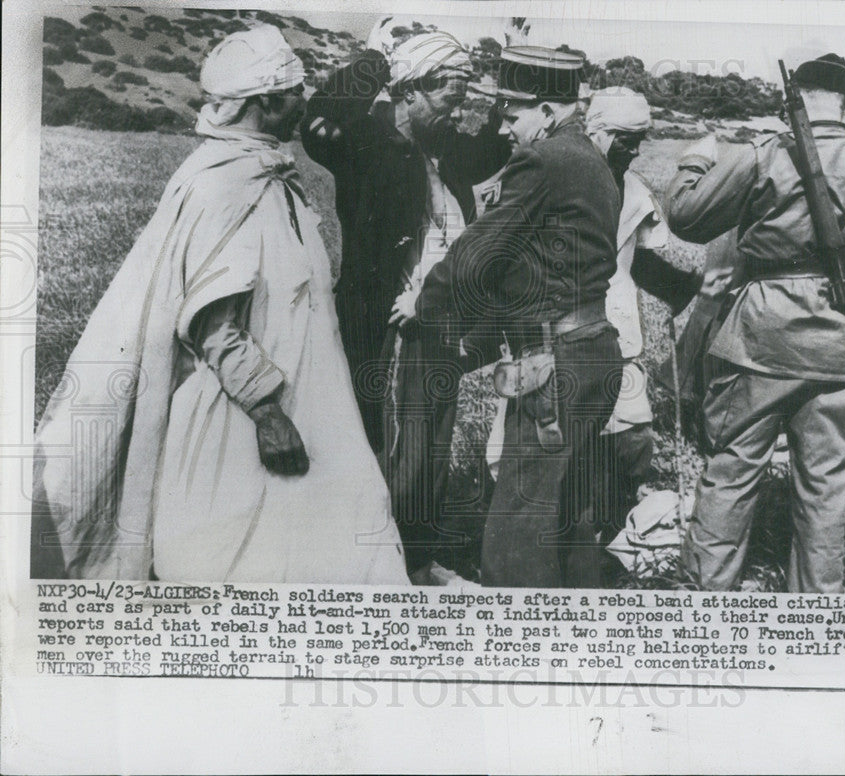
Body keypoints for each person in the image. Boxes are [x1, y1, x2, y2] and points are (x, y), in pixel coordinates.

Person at [32, 25, 409, 584]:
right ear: (268, 102)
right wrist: (268, 413)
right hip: (242, 414)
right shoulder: (221, 183)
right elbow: (211, 322)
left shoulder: (259, 169)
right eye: (297, 91)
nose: (306, 101)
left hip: (302, 396)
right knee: (237, 550)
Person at [665, 53, 845, 592]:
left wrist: (695, 163)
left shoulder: (766, 154)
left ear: (796, 98)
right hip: (840, 350)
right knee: (826, 493)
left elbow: (686, 217)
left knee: (731, 478)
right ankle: (815, 621)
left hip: (756, 342)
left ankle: (705, 608)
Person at [392, 46, 624, 587]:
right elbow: (539, 269)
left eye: (513, 113)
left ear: (547, 111)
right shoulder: (593, 161)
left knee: (516, 535)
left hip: (554, 365)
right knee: (568, 519)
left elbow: (480, 251)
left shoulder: (544, 159)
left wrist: (424, 304)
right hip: (594, 349)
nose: (503, 129)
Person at [300, 30, 510, 583]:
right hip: (376, 318)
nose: (458, 111)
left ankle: (415, 559)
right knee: (378, 437)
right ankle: (372, 560)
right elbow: (320, 113)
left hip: (434, 318)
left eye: (464, 98)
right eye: (449, 97)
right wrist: (378, 58)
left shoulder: (447, 149)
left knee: (430, 442)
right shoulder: (365, 142)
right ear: (411, 90)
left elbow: (500, 143)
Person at [484, 86, 702, 547]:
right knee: (546, 444)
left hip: (616, 327)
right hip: (558, 333)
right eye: (626, 139)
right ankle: (542, 535)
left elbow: (637, 259)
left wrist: (683, 287)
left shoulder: (635, 189)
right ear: (598, 130)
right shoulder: (558, 175)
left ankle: (608, 521)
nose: (634, 149)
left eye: (640, 139)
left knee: (629, 436)